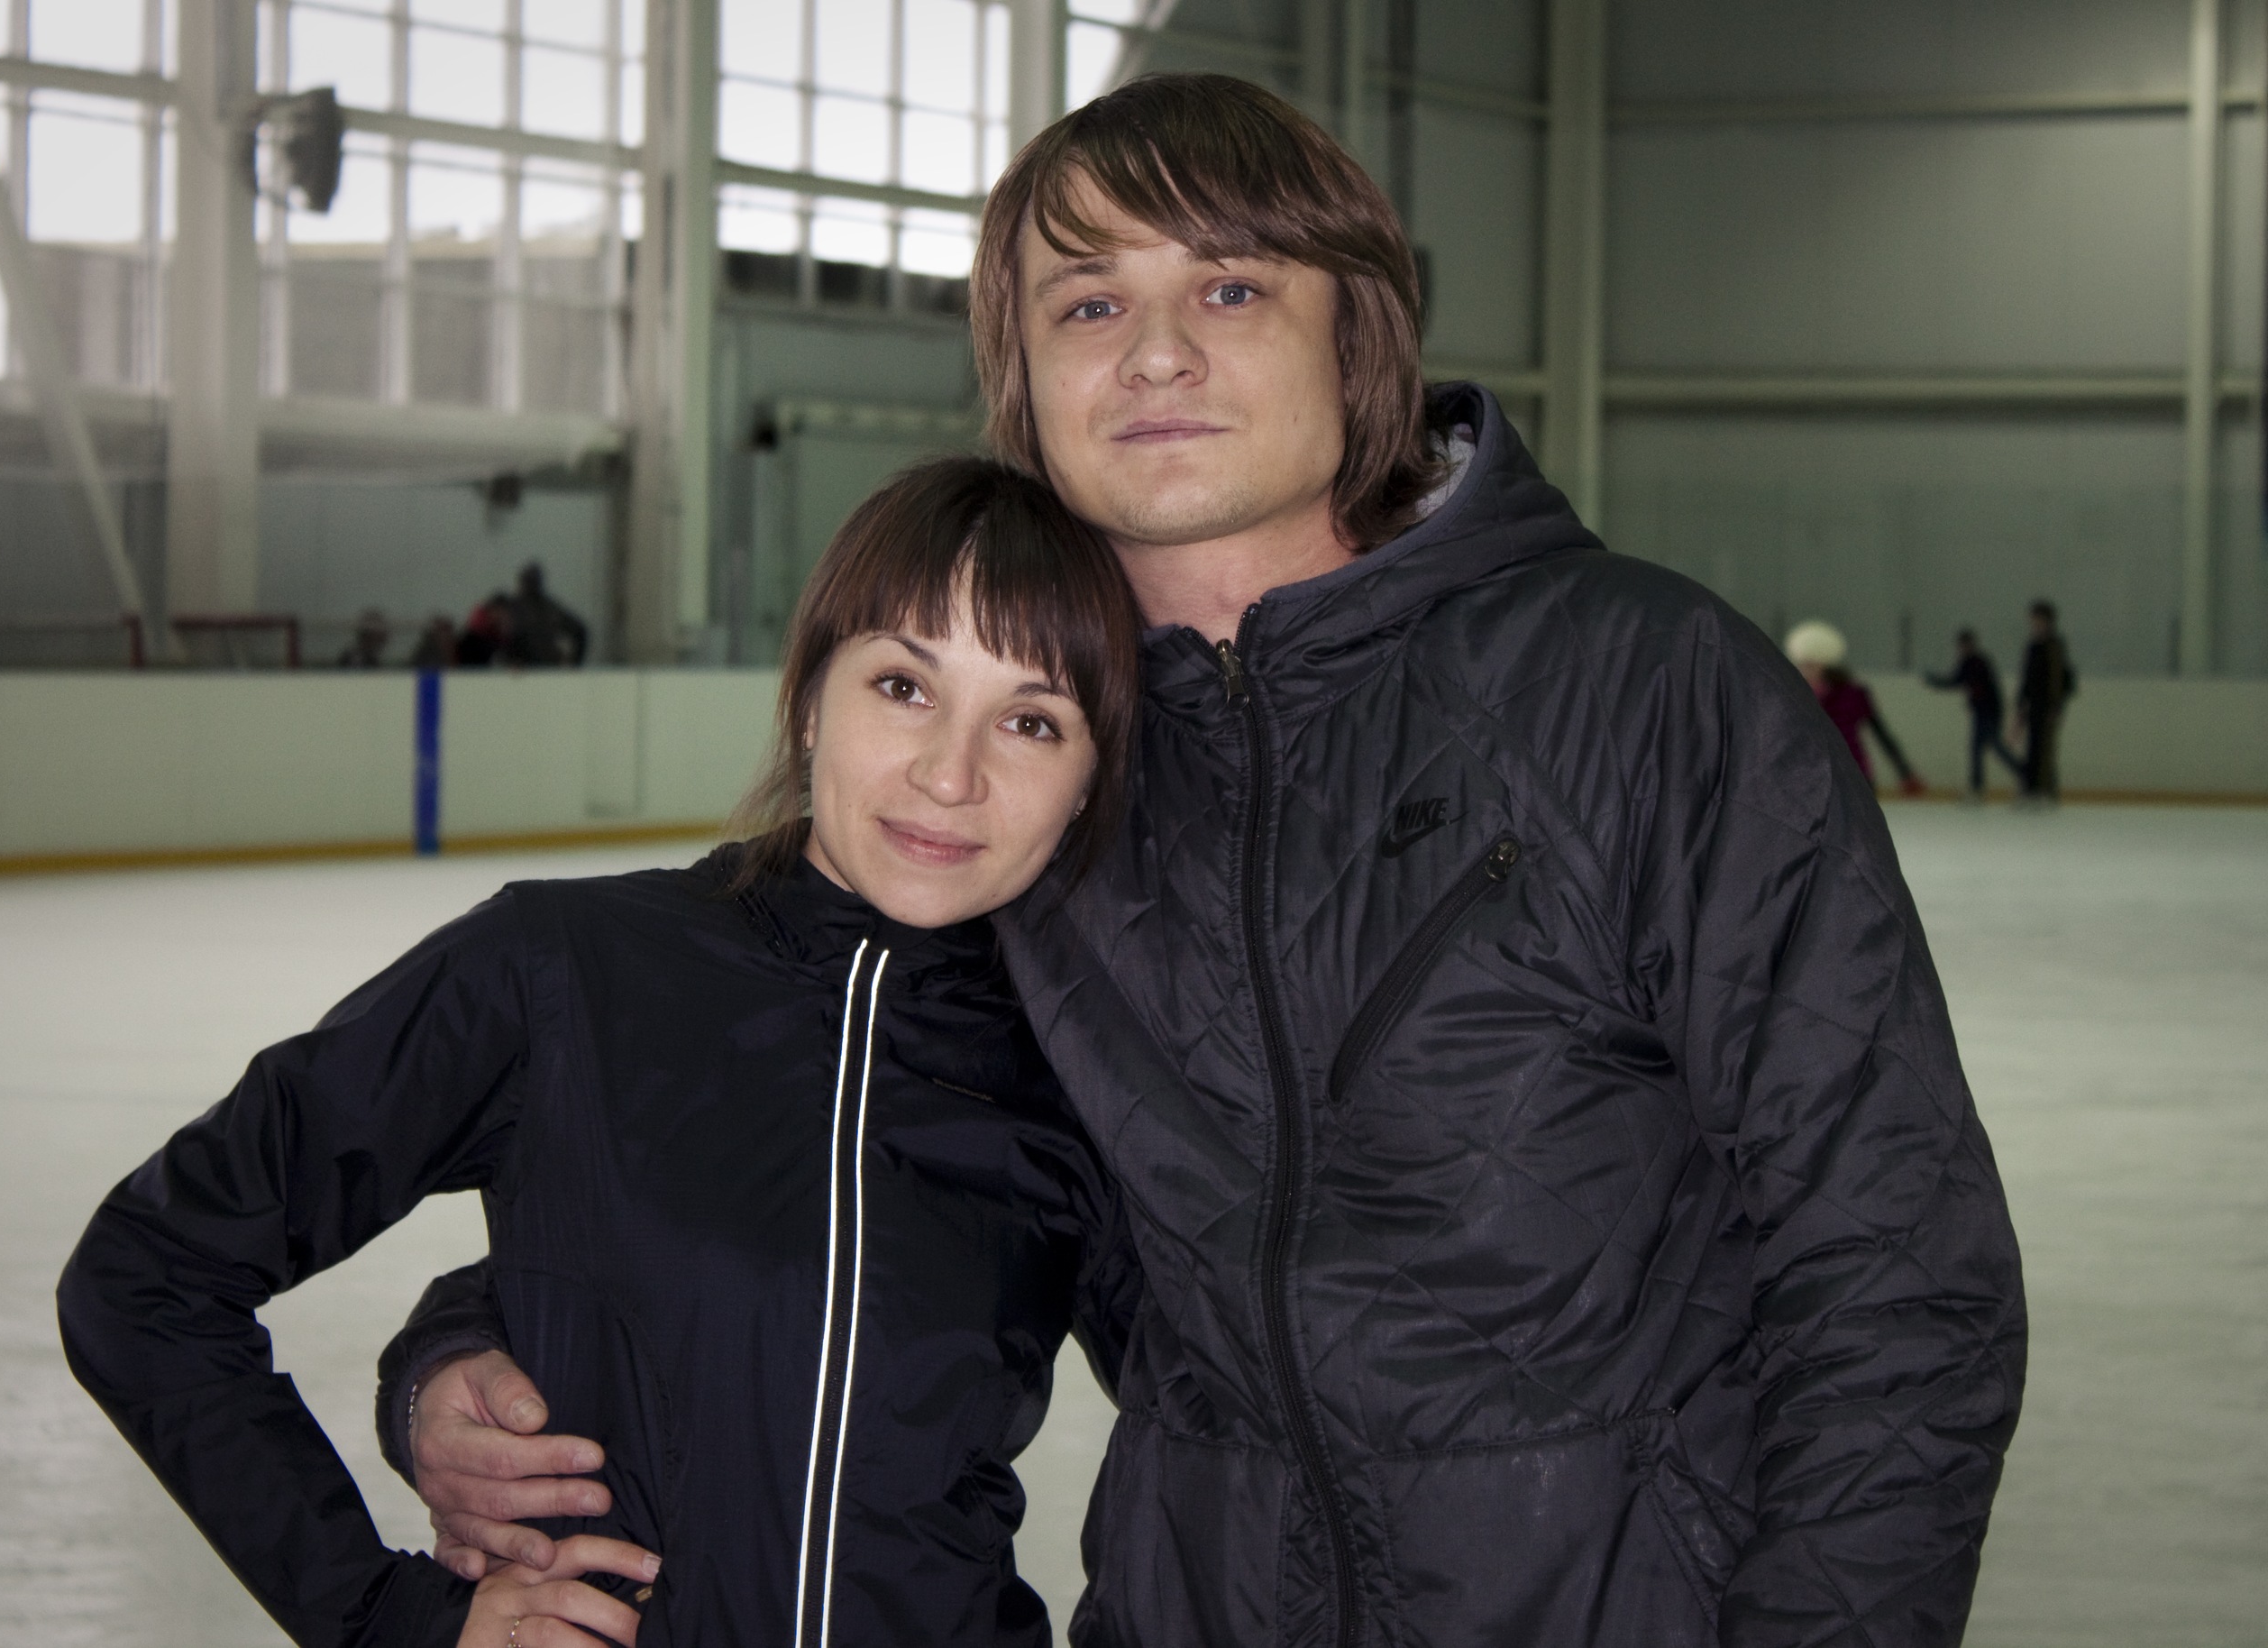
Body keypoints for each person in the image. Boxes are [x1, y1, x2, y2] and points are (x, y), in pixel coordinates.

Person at [396, 75, 2025, 1648]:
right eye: (1089, 303)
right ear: (1022, 377)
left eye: (1232, 289)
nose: (1157, 351)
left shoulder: (1641, 685)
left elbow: (1897, 1273)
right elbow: (784, 1089)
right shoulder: (1032, 759)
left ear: (1358, 335)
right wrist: (470, 1342)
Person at [56, 458, 1145, 1648]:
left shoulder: (1093, 1073)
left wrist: (452, 1332)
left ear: (1091, 780)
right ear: (808, 702)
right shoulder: (560, 968)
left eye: (1031, 721)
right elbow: (148, 1272)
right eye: (902, 684)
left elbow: (1240, 1426)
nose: (950, 773)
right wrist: (387, 1617)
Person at [1784, 618, 1925, 794]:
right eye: (1803, 665)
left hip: (1853, 774)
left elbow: (1881, 733)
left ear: (1825, 665)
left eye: (1811, 665)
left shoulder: (1853, 694)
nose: (1805, 671)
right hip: (1810, 775)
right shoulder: (1793, 694)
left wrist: (1904, 771)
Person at [1927, 627, 2020, 801]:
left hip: (1988, 713)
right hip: (1982, 713)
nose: (1961, 649)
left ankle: (2023, 775)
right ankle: (1978, 788)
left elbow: (1976, 686)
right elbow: (1958, 681)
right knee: (1979, 750)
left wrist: (1936, 682)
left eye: (1964, 645)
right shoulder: (1969, 662)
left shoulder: (1978, 663)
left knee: (1991, 748)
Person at [2015, 600, 2076, 804]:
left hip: (2048, 706)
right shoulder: (2033, 645)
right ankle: (2030, 790)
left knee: (2045, 749)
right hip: (2033, 705)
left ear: (2047, 621)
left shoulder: (2054, 646)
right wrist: (2021, 703)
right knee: (2033, 747)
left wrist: (2055, 706)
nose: (2034, 623)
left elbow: (2057, 678)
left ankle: (2045, 791)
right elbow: (2027, 677)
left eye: (2038, 619)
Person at [498, 563, 590, 667]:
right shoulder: (512, 608)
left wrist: (573, 663)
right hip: (521, 670)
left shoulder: (549, 609)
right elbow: (500, 638)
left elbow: (579, 630)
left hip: (547, 668)